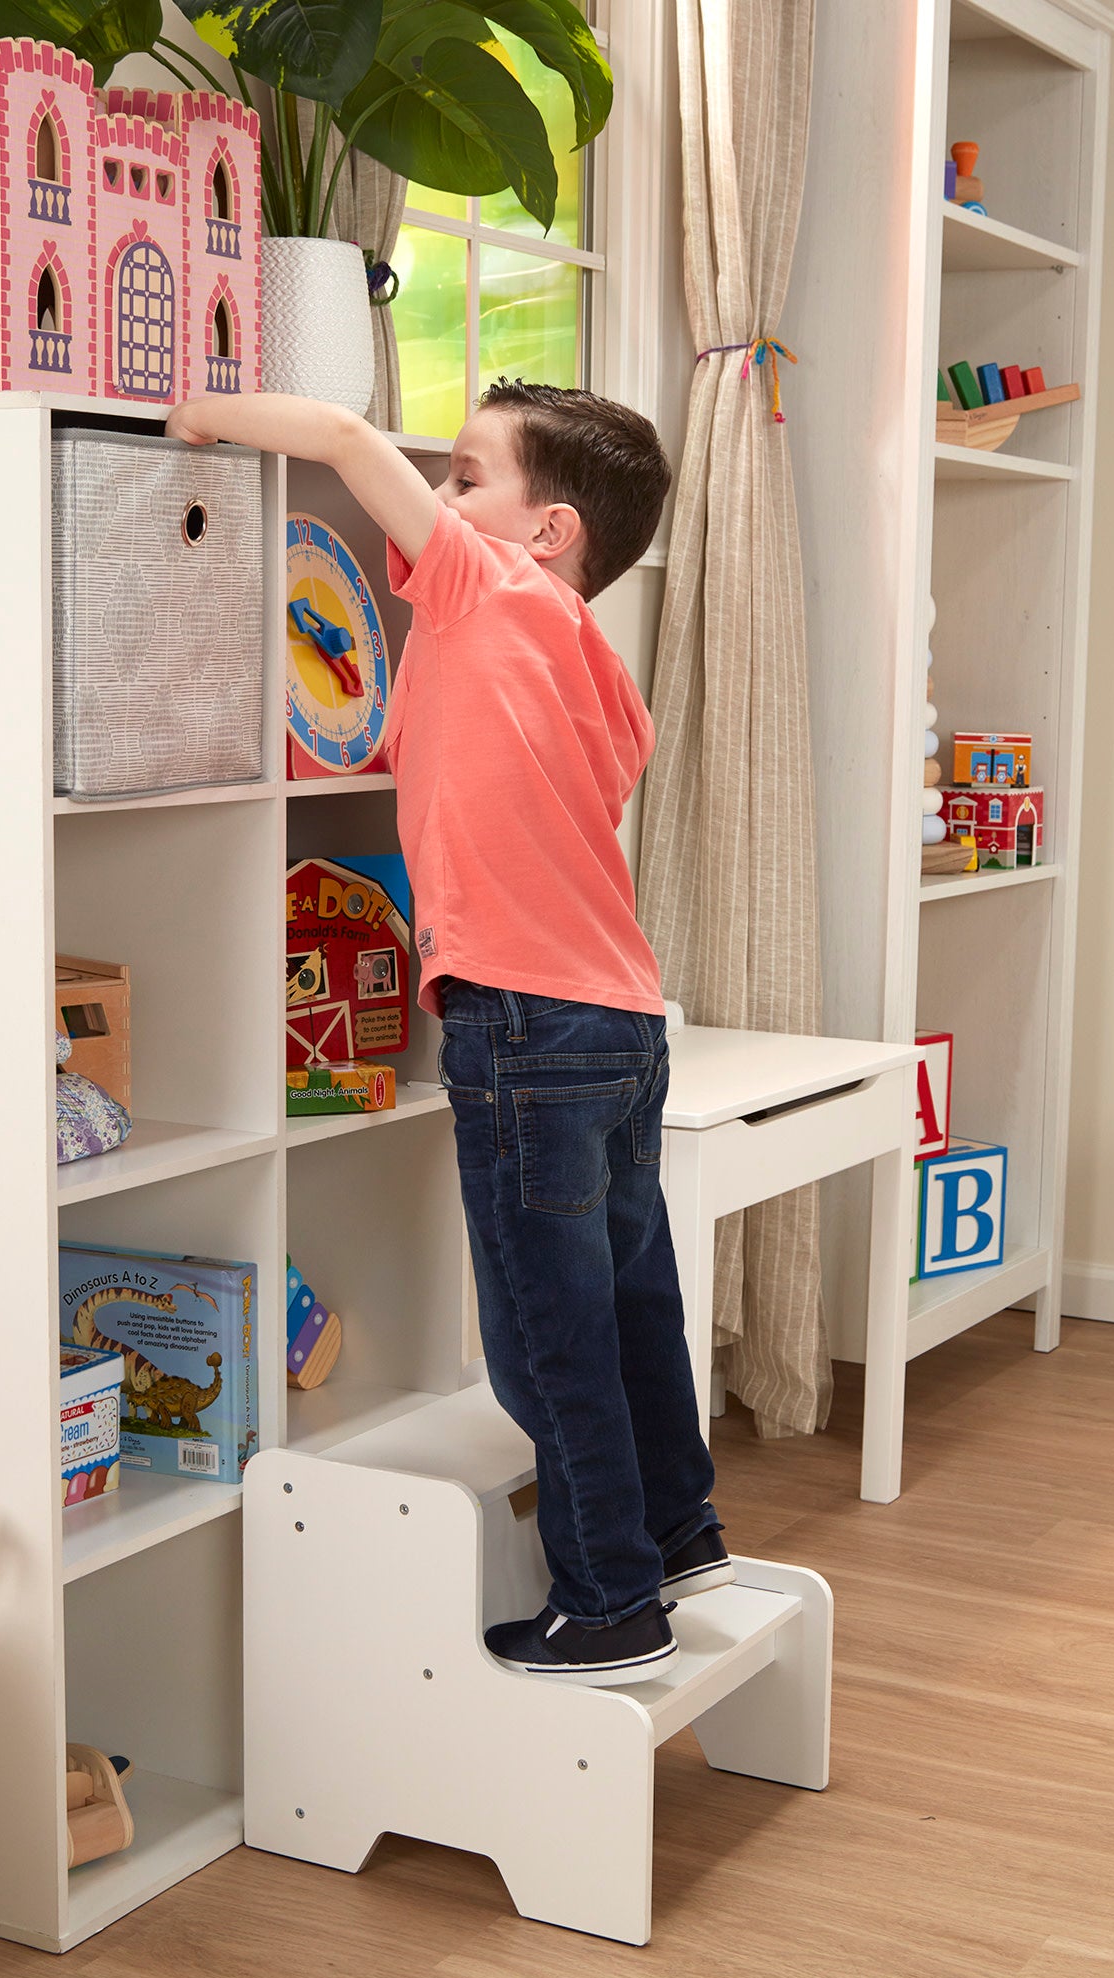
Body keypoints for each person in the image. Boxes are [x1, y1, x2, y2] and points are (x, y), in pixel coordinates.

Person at [168, 379, 725, 1685]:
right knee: (632, 1302)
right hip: (620, 1017)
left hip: (523, 1020)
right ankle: (679, 1532)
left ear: (550, 535)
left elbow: (348, 444)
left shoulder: (492, 594)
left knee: (547, 1334)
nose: (442, 498)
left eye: (470, 479)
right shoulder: (595, 661)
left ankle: (609, 1603)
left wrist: (197, 414)